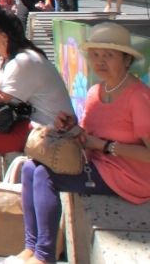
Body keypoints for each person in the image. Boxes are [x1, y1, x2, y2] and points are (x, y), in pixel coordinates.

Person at [11, 21, 150, 264]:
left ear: (127, 60)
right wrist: (71, 127)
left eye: (109, 55)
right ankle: (31, 247)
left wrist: (106, 147)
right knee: (31, 168)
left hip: (131, 177)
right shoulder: (95, 92)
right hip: (99, 166)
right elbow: (87, 137)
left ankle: (44, 255)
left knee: (46, 175)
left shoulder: (139, 96)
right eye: (95, 55)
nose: (100, 61)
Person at [0, 6, 72, 217]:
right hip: (28, 122)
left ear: (4, 36)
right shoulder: (5, 57)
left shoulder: (23, 60)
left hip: (47, 131)